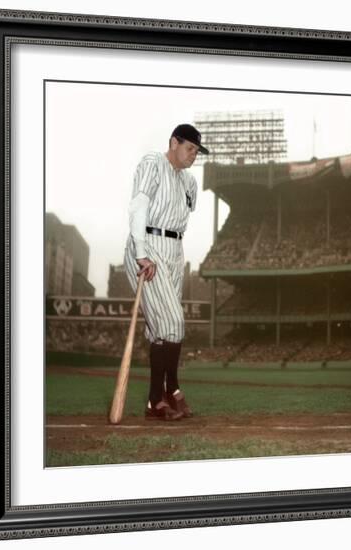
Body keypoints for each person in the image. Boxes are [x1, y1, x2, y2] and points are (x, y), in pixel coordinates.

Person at [124, 124, 209, 420]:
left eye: (197, 152)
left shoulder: (189, 182)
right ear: (174, 142)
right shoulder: (153, 163)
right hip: (150, 245)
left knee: (161, 333)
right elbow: (139, 206)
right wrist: (141, 253)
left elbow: (185, 210)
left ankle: (153, 402)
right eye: (189, 148)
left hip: (175, 250)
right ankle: (171, 389)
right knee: (174, 322)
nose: (193, 156)